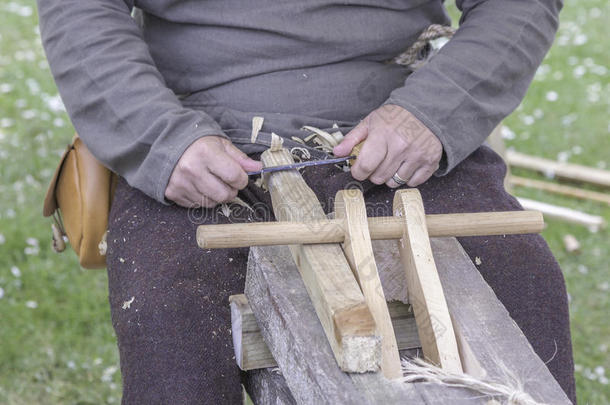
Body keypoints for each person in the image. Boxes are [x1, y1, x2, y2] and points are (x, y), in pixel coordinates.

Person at [36, 0, 575, 403]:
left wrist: (433, 113)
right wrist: (161, 138)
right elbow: (80, 10)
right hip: (198, 133)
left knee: (519, 297)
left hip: (399, 128)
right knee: (169, 327)